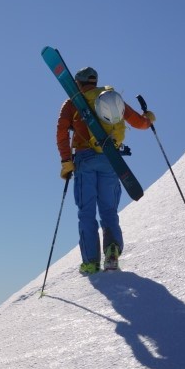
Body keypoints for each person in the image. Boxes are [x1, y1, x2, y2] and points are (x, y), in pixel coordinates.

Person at [56, 66, 156, 274]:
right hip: (111, 159)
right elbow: (138, 123)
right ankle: (112, 251)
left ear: (78, 83)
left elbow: (62, 132)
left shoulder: (72, 102)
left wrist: (66, 161)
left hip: (85, 160)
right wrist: (149, 119)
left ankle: (91, 261)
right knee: (109, 210)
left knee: (86, 211)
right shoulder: (111, 97)